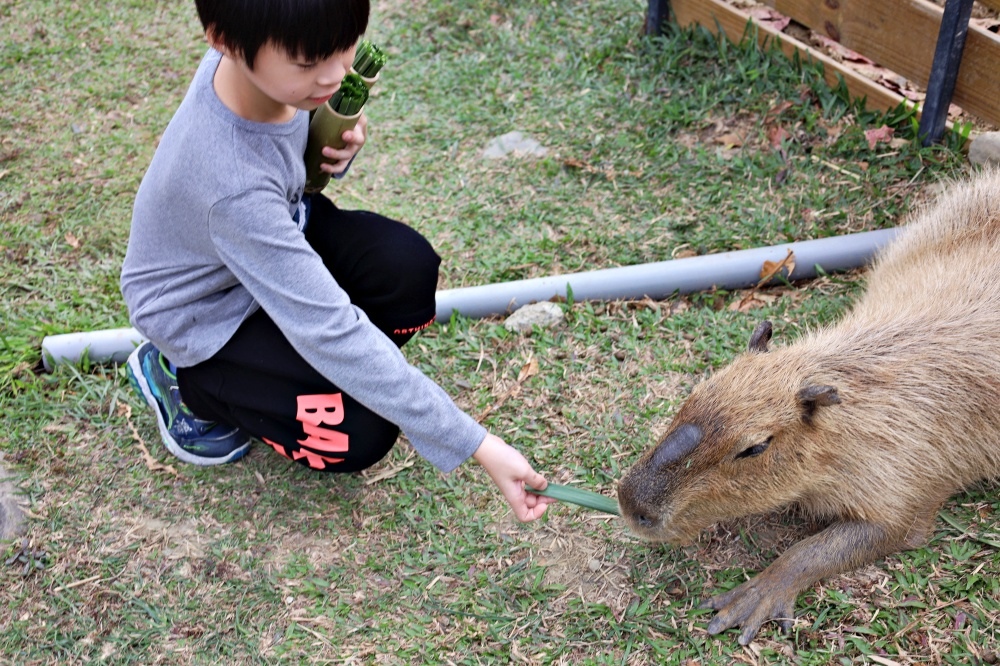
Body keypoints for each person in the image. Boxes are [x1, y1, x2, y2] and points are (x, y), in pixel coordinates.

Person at [120, 0, 553, 522]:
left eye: (342, 47)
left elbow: (283, 169)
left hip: (273, 235)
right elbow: (327, 328)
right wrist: (478, 444)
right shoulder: (229, 187)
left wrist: (328, 143)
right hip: (207, 314)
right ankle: (182, 385)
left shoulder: (253, 66)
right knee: (359, 433)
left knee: (407, 272)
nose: (334, 74)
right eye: (308, 62)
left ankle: (313, 371)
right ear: (224, 41)